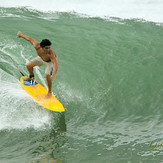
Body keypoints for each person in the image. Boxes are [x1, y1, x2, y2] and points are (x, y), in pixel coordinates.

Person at [17, 31, 58, 99]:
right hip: (41, 58)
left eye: (49, 47)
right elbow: (29, 39)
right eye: (46, 48)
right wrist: (21, 35)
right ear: (41, 47)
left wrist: (54, 74)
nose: (48, 49)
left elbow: (55, 63)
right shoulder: (36, 45)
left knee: (47, 75)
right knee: (29, 65)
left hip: (49, 62)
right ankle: (31, 77)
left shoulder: (51, 53)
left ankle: (49, 92)